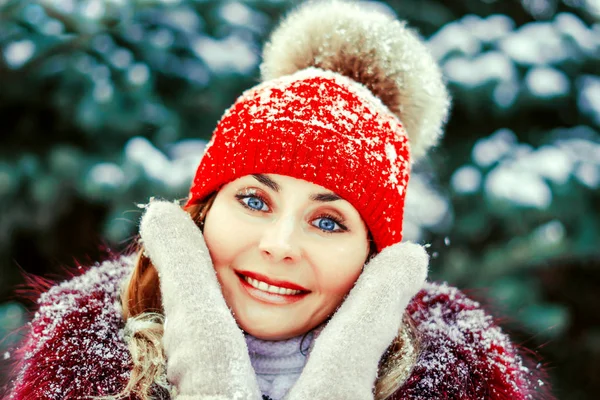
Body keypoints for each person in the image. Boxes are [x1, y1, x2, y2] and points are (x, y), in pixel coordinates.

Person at [4, 1, 553, 399]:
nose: (280, 245)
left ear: (374, 258)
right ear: (202, 213)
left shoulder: (460, 378)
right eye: (255, 201)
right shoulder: (82, 356)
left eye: (331, 222)